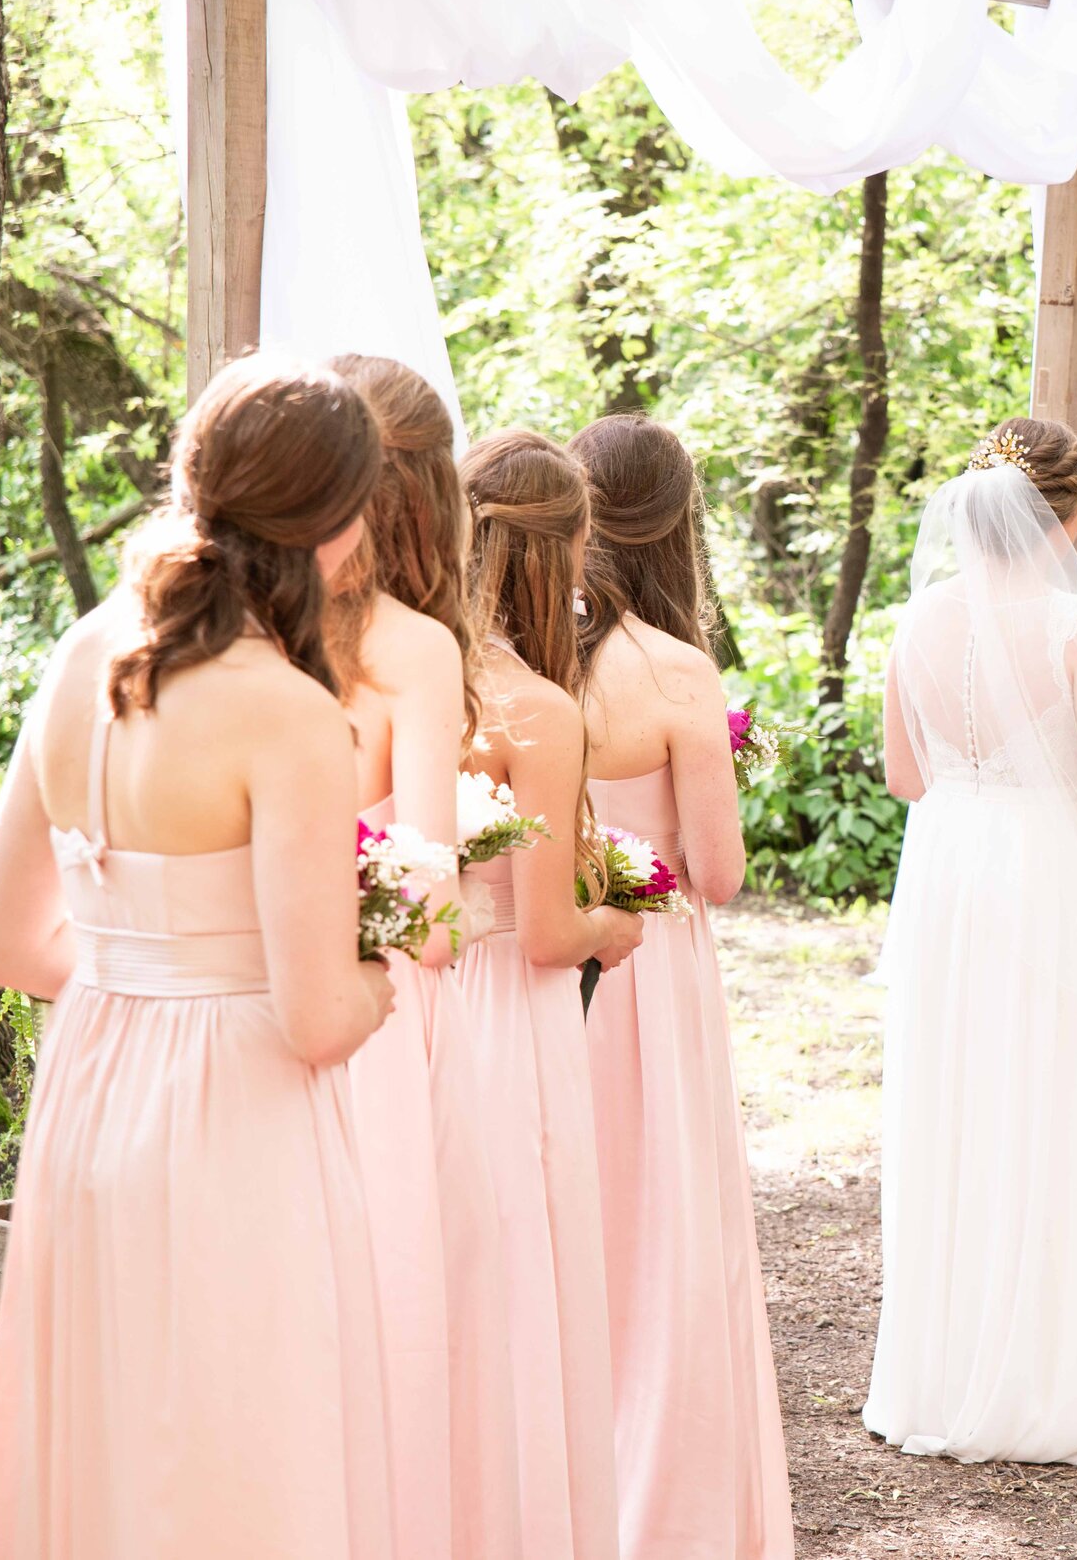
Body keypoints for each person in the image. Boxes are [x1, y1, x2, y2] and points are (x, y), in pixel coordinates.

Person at [0, 356, 396, 1559]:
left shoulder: (84, 653)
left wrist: (150, 978)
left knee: (108, 1435)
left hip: (91, 1083)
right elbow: (318, 1020)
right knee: (239, 1442)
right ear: (335, 524)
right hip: (232, 1117)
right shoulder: (286, 709)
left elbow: (4, 944)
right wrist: (385, 973)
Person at [865, 417, 1077, 1464]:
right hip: (1041, 875)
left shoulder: (918, 619)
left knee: (955, 1098)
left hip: (946, 876)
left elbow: (905, 779)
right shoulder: (1074, 625)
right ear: (1069, 514)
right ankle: (1048, 1378)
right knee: (1047, 1099)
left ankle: (941, 1374)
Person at [571, 416, 794, 1555]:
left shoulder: (506, 652)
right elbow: (718, 869)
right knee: (657, 1228)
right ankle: (660, 1498)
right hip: (649, 979)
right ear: (678, 524)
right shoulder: (673, 669)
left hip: (539, 969)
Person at [327, 354, 522, 1560]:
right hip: (379, 1018)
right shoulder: (411, 648)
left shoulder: (222, 626)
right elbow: (432, 920)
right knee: (396, 1301)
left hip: (245, 988)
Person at [460, 430, 644, 1559]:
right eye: (579, 547)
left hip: (416, 1004)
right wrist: (613, 927)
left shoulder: (400, 675)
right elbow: (544, 935)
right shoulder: (535, 707)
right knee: (520, 1276)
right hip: (508, 1021)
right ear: (550, 553)